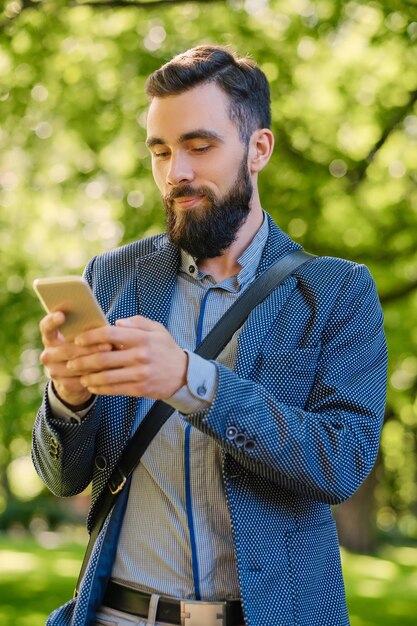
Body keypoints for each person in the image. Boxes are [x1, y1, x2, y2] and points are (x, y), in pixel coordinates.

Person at [32, 45, 388, 626]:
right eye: (161, 151)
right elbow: (61, 476)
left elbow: (341, 462)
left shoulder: (337, 292)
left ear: (258, 149)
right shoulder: (112, 277)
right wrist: (68, 400)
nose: (177, 173)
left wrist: (189, 380)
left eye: (200, 147)